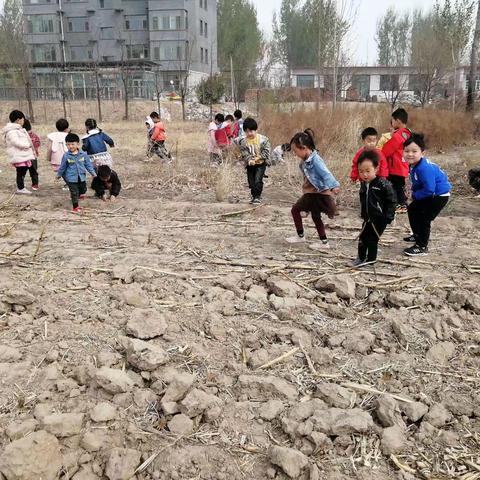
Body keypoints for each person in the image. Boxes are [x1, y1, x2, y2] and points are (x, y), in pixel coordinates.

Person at [285, 129, 339, 250]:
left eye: (295, 151)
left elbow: (326, 173)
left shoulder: (315, 160)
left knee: (295, 210)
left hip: (317, 194)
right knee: (316, 217)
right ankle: (324, 243)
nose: (295, 154)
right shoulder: (306, 160)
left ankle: (300, 236)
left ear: (303, 148)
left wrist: (334, 185)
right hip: (314, 193)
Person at [403, 134, 451, 256]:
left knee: (424, 218)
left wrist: (415, 196)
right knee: (413, 209)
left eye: (414, 151)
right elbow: (419, 182)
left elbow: (430, 189)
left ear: (422, 153)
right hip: (431, 193)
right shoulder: (414, 165)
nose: (410, 154)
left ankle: (421, 246)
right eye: (407, 151)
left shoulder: (424, 168)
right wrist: (412, 192)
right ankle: (417, 234)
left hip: (439, 195)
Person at [353, 150, 396, 266]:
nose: (364, 174)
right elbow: (364, 200)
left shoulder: (383, 184)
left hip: (379, 219)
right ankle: (360, 258)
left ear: (376, 169)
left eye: (368, 171)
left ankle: (371, 260)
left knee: (372, 239)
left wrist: (389, 216)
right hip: (367, 219)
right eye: (361, 171)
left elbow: (392, 201)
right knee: (362, 238)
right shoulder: (363, 184)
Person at [57, 133, 97, 213]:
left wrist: (93, 173)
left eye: (72, 144)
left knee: (83, 189)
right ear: (66, 145)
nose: (71, 146)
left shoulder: (83, 155)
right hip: (71, 178)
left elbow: (88, 165)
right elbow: (62, 166)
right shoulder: (66, 156)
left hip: (81, 176)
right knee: (74, 192)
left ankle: (79, 194)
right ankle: (75, 206)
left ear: (78, 144)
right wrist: (59, 175)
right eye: (68, 144)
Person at [234, 117, 271, 204]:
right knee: (251, 182)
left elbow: (267, 151)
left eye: (251, 131)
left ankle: (257, 197)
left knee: (258, 180)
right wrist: (249, 159)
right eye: (247, 131)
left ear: (256, 130)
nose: (249, 133)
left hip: (261, 163)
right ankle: (254, 196)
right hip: (250, 164)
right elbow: (244, 152)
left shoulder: (263, 140)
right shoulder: (243, 141)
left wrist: (258, 158)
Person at [382, 108, 411, 213]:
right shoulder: (408, 133)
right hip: (404, 166)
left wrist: (379, 155)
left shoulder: (398, 135)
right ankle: (403, 205)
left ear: (398, 120)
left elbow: (387, 150)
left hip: (396, 166)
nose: (392, 123)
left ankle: (400, 205)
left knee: (395, 187)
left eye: (393, 120)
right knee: (400, 186)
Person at [1, 110, 37, 195]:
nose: (23, 121)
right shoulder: (12, 131)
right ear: (18, 120)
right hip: (19, 155)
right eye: (23, 119)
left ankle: (21, 187)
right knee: (21, 172)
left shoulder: (18, 129)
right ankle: (20, 188)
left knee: (23, 171)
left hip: (23, 155)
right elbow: (16, 142)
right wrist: (27, 145)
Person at [23, 119, 40, 191]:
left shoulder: (22, 136)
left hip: (24, 156)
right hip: (33, 156)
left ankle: (21, 185)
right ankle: (35, 184)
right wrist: (35, 149)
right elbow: (38, 143)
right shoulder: (34, 135)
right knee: (34, 171)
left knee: (22, 171)